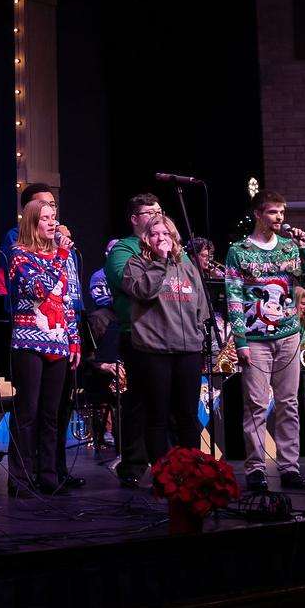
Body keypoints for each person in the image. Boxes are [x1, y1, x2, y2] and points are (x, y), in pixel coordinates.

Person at [223, 188, 305, 493]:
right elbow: (234, 298)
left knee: (289, 403)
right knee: (256, 404)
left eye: (282, 212)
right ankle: (256, 469)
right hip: (254, 338)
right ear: (258, 214)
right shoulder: (239, 251)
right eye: (273, 212)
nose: (279, 218)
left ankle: (290, 467)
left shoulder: (290, 247)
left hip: (288, 335)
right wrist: (240, 341)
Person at [121, 213, 212, 466]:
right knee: (158, 416)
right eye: (154, 234)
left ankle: (193, 472)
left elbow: (201, 307)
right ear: (146, 239)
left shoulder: (186, 266)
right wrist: (160, 261)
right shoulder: (136, 264)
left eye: (166, 234)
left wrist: (197, 334)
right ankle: (163, 475)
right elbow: (144, 291)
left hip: (188, 350)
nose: (161, 238)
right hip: (154, 351)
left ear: (174, 238)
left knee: (187, 416)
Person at [6, 193, 79, 495]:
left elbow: (67, 299)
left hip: (58, 341)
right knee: (28, 412)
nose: (53, 223)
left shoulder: (62, 257)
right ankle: (20, 478)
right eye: (46, 219)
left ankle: (48, 475)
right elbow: (39, 288)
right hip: (28, 342)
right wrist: (61, 256)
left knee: (52, 413)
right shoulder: (19, 254)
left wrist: (74, 341)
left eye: (54, 217)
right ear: (33, 223)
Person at [103, 193, 165, 484]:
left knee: (170, 403)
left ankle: (171, 464)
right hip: (138, 333)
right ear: (134, 218)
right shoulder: (123, 250)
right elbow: (136, 287)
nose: (155, 214)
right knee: (139, 401)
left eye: (159, 210)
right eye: (148, 211)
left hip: (172, 334)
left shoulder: (171, 246)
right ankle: (133, 465)